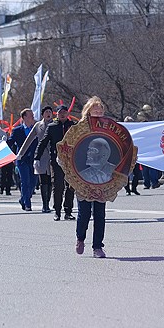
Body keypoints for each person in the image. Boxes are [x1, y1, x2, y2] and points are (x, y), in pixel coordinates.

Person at [74, 96, 110, 258]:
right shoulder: (79, 129)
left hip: (103, 178)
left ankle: (97, 246)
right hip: (82, 176)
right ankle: (80, 238)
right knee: (84, 213)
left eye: (100, 109)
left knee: (100, 214)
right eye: (95, 109)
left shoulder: (109, 128)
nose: (98, 112)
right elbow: (68, 150)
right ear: (88, 111)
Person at [44, 107, 75, 220]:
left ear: (67, 114)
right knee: (58, 186)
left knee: (70, 186)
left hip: (71, 160)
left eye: (64, 113)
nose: (62, 115)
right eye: (60, 113)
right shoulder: (52, 126)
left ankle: (68, 211)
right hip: (56, 160)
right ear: (56, 114)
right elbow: (44, 141)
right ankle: (57, 211)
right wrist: (37, 158)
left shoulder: (73, 126)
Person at [8, 108, 38, 211]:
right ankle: (27, 204)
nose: (33, 117)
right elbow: (10, 143)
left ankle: (23, 199)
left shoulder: (36, 129)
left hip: (33, 160)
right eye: (30, 115)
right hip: (22, 160)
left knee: (33, 183)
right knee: (25, 181)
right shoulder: (17, 130)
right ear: (24, 117)